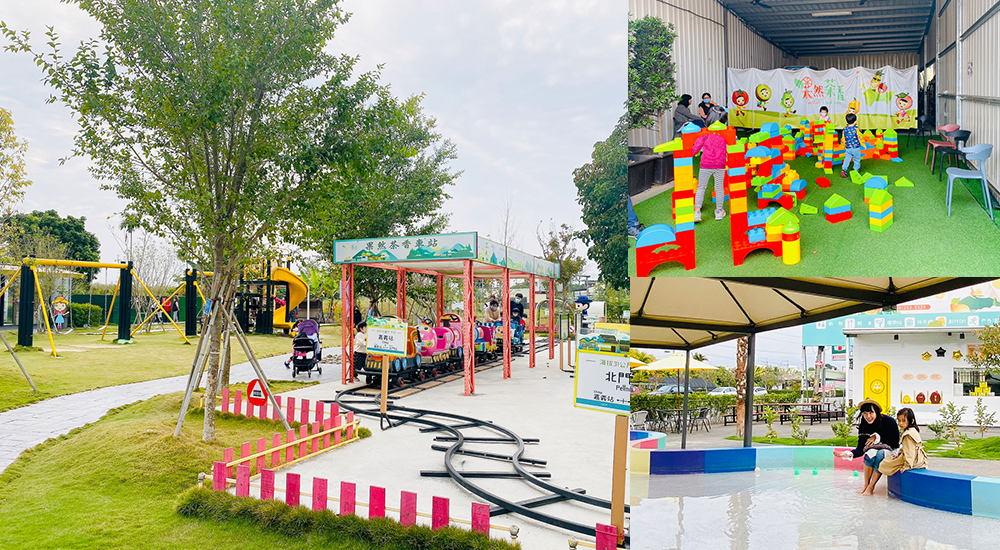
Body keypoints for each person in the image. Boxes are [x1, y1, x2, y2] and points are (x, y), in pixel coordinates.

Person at [835, 398, 899, 496]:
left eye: (871, 412)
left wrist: (876, 437)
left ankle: (871, 486)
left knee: (880, 454)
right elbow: (861, 449)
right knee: (870, 453)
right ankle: (866, 485)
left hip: (892, 450)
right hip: (876, 449)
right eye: (865, 413)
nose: (868, 416)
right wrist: (847, 454)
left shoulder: (889, 422)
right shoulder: (864, 425)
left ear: (876, 412)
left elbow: (895, 443)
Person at [879, 407, 928, 476]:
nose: (901, 423)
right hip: (919, 458)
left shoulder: (907, 435)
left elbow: (909, 452)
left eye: (904, 421)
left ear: (912, 421)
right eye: (899, 420)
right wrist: (899, 454)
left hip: (914, 461)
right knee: (890, 459)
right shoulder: (913, 430)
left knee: (884, 463)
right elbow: (908, 448)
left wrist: (907, 466)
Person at [692, 131, 728, 222]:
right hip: (720, 164)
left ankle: (697, 212)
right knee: (719, 188)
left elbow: (696, 147)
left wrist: (688, 154)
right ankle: (719, 211)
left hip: (706, 164)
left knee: (701, 187)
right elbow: (731, 146)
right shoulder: (724, 134)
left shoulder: (705, 135)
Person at [841, 113, 862, 178]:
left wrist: (843, 146)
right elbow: (859, 137)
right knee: (857, 159)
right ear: (855, 122)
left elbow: (843, 139)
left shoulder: (844, 129)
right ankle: (856, 170)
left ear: (846, 122)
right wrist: (863, 144)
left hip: (848, 148)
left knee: (847, 158)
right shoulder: (856, 129)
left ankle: (844, 169)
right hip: (856, 148)